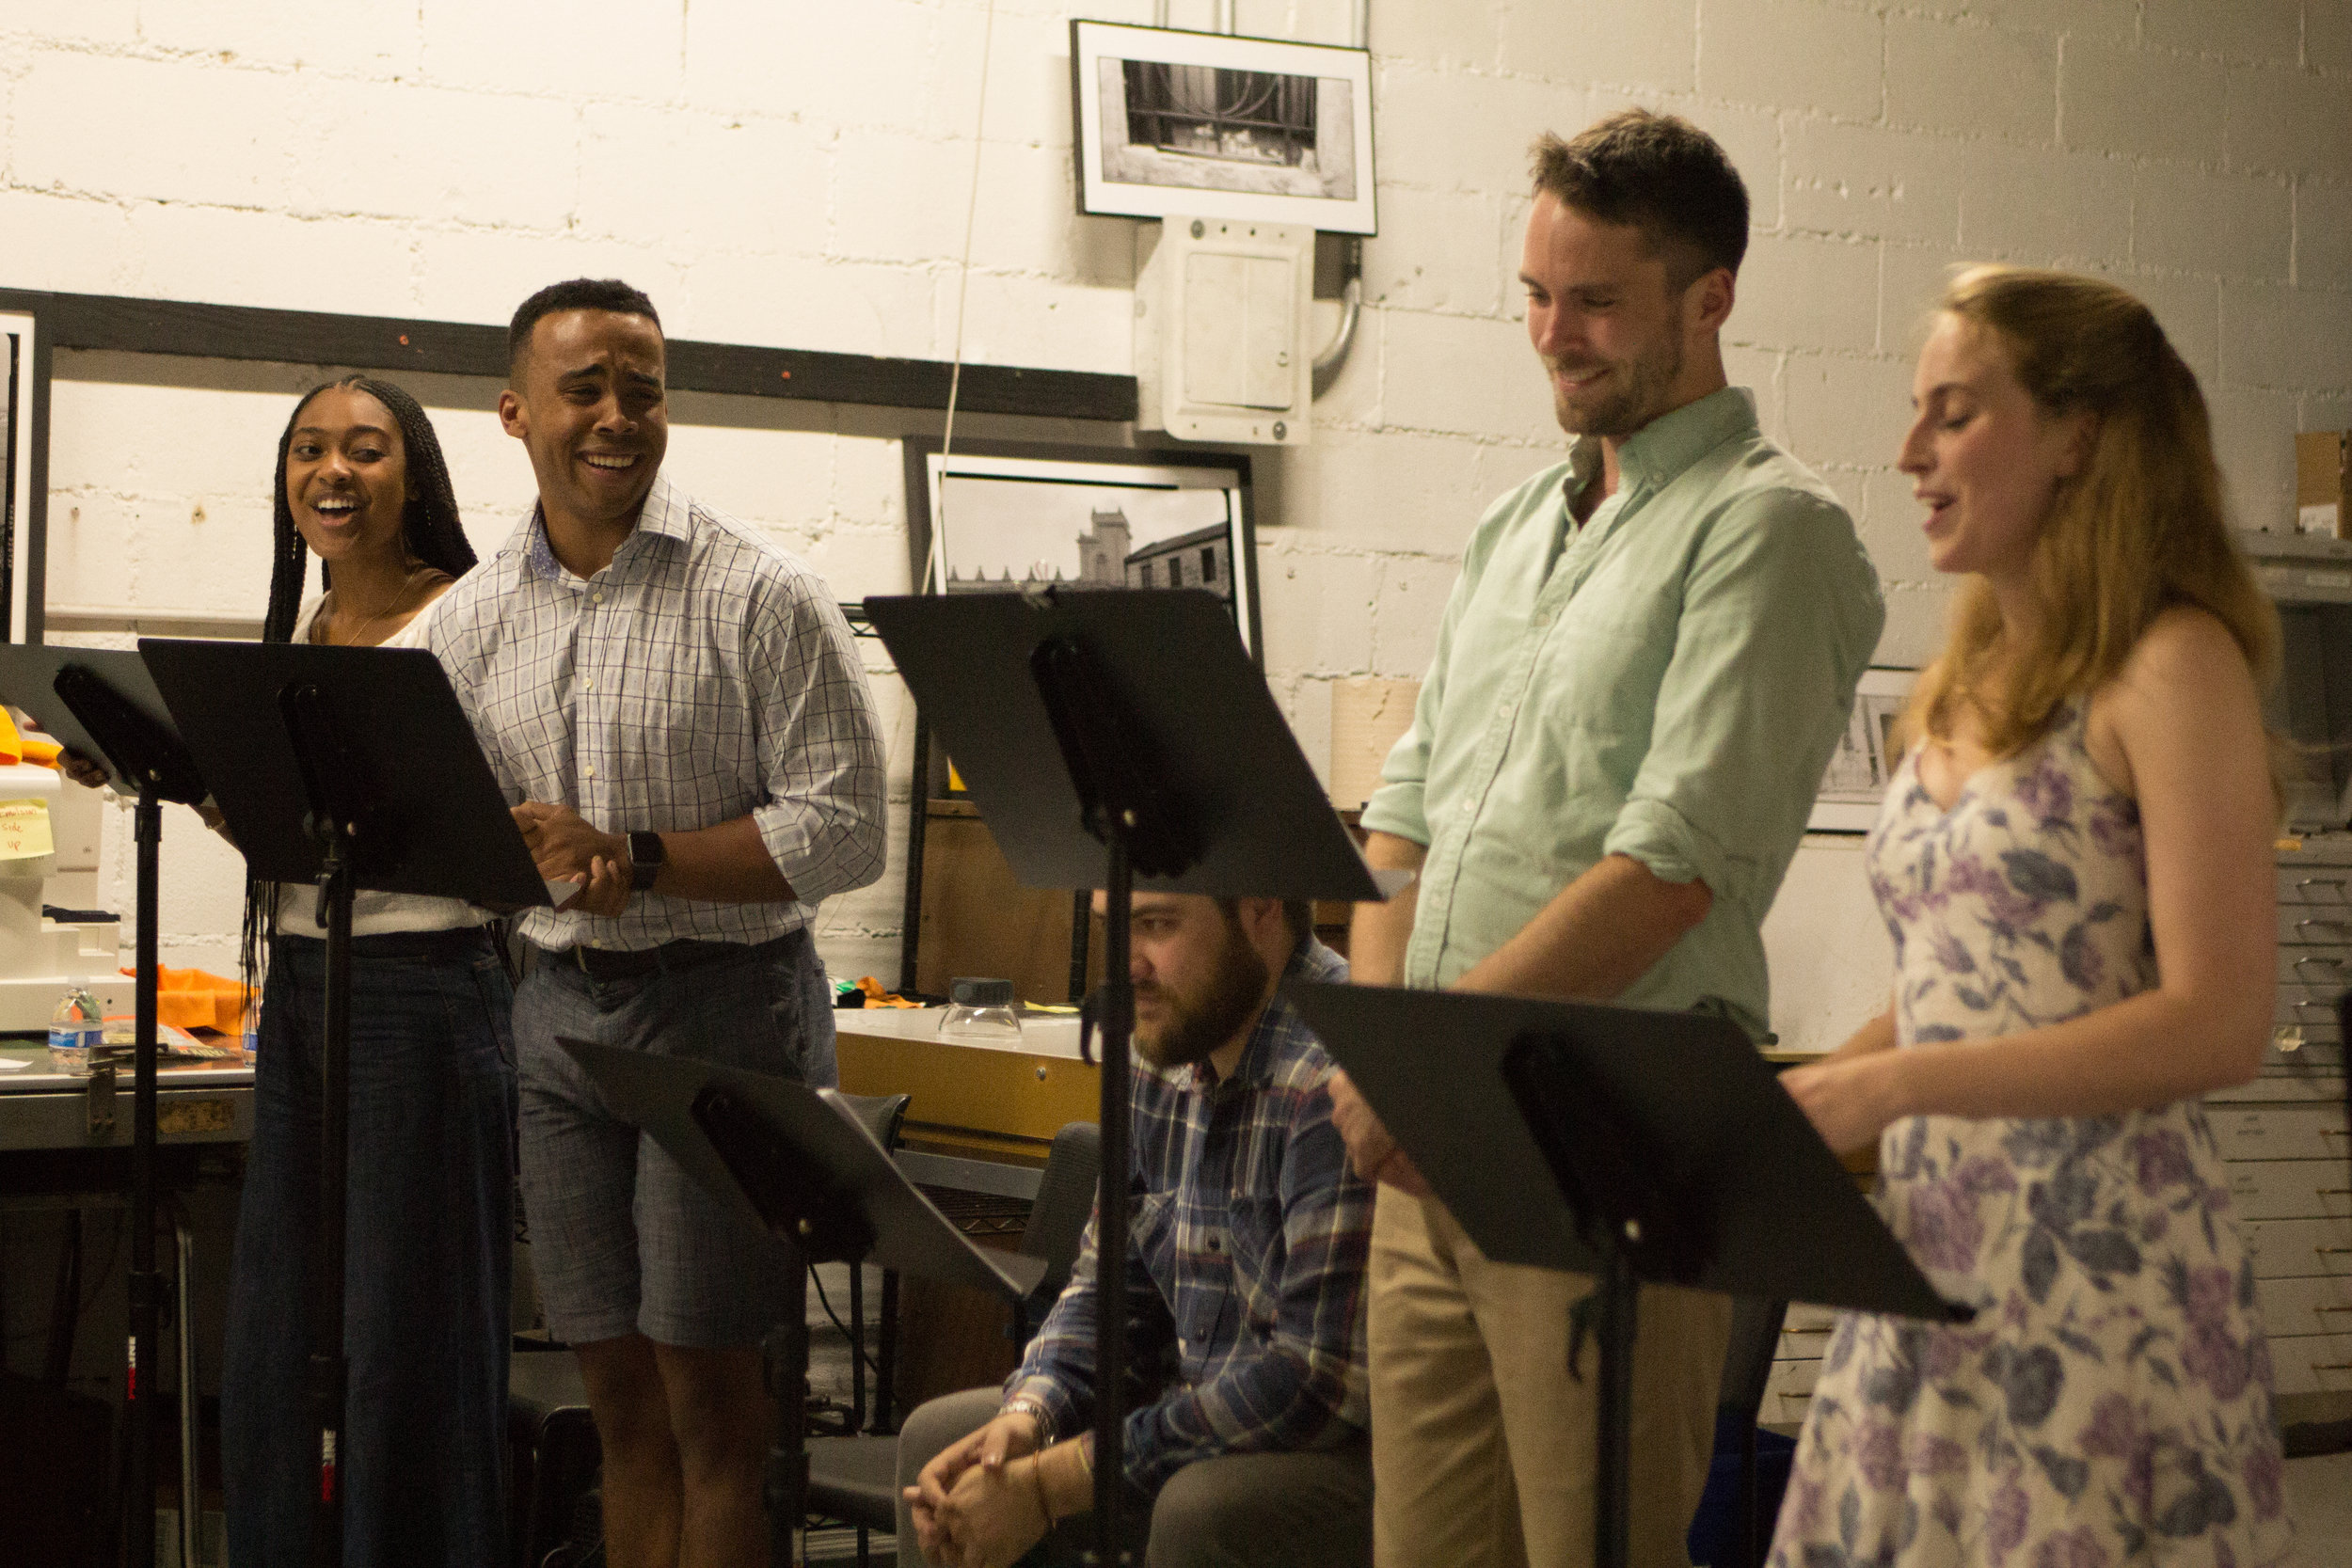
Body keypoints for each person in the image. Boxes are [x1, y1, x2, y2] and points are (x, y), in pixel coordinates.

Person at [1327, 109, 1886, 1568]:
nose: (1552, 333)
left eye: (1595, 301)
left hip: (1608, 1138)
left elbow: (1670, 865)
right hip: (1432, 1148)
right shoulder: (1519, 523)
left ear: (1712, 299)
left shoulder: (1773, 530)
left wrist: (1430, 1064)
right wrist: (1398, 1058)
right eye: (1534, 293)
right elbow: (1403, 818)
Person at [1767, 267, 2296, 1566]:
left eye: (1954, 413)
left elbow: (2219, 1021)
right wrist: (1820, 1085)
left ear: (2080, 434)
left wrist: (1896, 1084)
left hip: (2098, 1280)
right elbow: (1972, 979)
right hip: (1933, 1258)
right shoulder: (1956, 685)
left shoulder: (2173, 665)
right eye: (1917, 414)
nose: (1910, 451)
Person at [427, 277, 888, 1568]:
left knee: (714, 1409)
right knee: (618, 1402)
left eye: (643, 387)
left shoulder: (760, 595)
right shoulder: (468, 623)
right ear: (517, 413)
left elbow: (846, 829)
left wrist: (643, 855)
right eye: (586, 388)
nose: (618, 415)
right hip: (559, 1019)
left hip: (725, 1017)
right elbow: (462, 836)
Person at [213, 375, 516, 1568]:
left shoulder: (470, 618)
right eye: (307, 451)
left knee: (402, 1342)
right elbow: (303, 840)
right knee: (280, 1334)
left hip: (425, 995)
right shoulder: (305, 635)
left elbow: (470, 835)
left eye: (365, 450)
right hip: (303, 985)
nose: (331, 472)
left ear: (416, 478)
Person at [900, 894, 1375, 1568]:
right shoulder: (1165, 1044)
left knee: (1197, 1509)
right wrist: (1030, 1415)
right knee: (943, 1447)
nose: (1126, 967)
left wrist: (1054, 1480)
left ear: (1261, 907)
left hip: (1341, 1450)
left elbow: (1312, 1383)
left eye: (1155, 924)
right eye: (1111, 929)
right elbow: (1106, 1287)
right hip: (1190, 1414)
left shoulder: (1338, 1070)